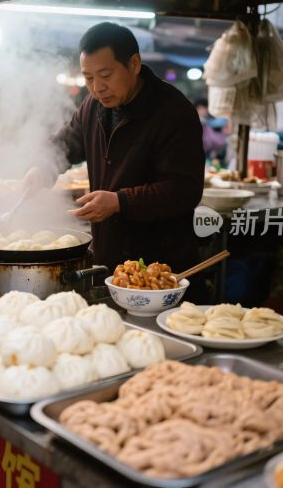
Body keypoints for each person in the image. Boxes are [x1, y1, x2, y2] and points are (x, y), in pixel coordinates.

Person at [25, 22, 206, 298]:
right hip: (109, 265)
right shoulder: (93, 106)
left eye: (106, 75)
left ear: (134, 64)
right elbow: (67, 143)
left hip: (158, 273)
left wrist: (119, 202)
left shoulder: (173, 112)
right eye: (88, 78)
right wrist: (43, 168)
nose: (98, 87)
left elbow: (183, 190)